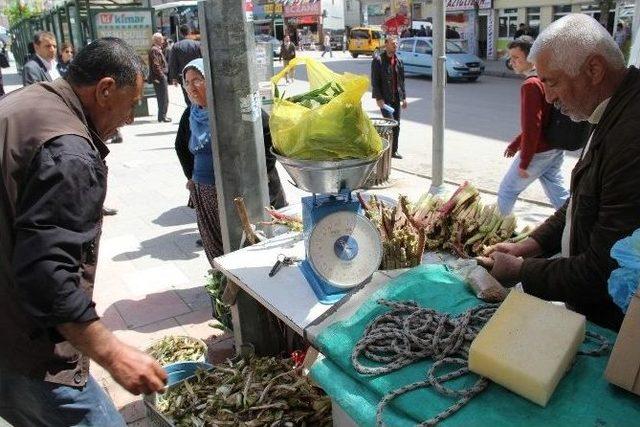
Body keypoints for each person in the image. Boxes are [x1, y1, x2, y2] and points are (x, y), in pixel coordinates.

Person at [0, 37, 167, 426]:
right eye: (130, 105)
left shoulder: (26, 102)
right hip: (28, 352)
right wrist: (113, 353)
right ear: (105, 89)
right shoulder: (70, 153)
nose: (128, 119)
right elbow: (47, 274)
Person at [481, 14, 640, 332]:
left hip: (613, 327)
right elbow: (582, 200)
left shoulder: (631, 136)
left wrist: (520, 271)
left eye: (552, 83)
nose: (549, 98)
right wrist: (533, 244)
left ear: (593, 70)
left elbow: (604, 269)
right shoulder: (611, 108)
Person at [497, 38, 569, 215]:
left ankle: (504, 233)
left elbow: (533, 126)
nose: (512, 62)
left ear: (532, 58)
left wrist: (524, 161)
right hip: (556, 147)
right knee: (558, 193)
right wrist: (515, 144)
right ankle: (577, 225)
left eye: (516, 58)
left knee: (507, 191)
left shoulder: (531, 85)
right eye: (510, 58)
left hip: (540, 151)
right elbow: (542, 121)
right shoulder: (546, 78)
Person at [371, 36, 407, 159]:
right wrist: (378, 98)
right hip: (385, 99)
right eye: (392, 43)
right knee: (390, 125)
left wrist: (403, 98)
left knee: (397, 124)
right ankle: (384, 150)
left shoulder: (399, 61)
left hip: (395, 98)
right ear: (386, 44)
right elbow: (375, 81)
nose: (395, 45)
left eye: (396, 43)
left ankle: (394, 151)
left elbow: (401, 81)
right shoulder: (378, 60)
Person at [168, 25, 201, 105]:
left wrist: (174, 78)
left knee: (188, 96)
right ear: (189, 32)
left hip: (184, 76)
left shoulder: (176, 46)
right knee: (199, 94)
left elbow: (173, 63)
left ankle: (190, 111)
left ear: (180, 34)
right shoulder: (197, 44)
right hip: (198, 74)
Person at [148, 32, 171, 123]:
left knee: (162, 97)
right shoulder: (154, 50)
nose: (163, 40)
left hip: (159, 77)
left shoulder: (157, 49)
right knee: (164, 97)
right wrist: (162, 76)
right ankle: (163, 116)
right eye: (161, 39)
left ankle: (161, 116)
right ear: (157, 40)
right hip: (159, 78)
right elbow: (156, 65)